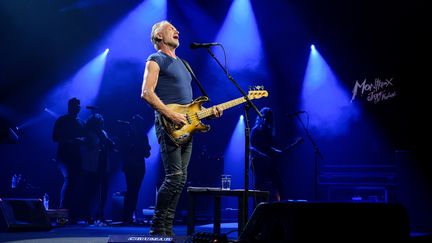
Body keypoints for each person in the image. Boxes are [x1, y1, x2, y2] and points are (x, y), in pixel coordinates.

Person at [141, 20, 222, 236]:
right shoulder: (155, 59)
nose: (177, 30)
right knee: (174, 177)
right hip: (168, 124)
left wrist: (207, 113)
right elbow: (147, 93)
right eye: (170, 28)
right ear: (158, 36)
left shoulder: (186, 65)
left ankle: (166, 229)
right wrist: (170, 114)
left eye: (177, 28)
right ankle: (158, 228)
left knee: (181, 179)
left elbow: (190, 106)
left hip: (187, 127)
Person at [249, 107, 303, 201]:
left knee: (280, 185)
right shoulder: (255, 130)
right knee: (259, 188)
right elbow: (251, 148)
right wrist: (263, 156)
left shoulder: (268, 131)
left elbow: (268, 147)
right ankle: (257, 210)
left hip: (268, 164)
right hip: (257, 163)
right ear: (261, 117)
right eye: (265, 117)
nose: (266, 120)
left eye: (268, 118)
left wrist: (276, 151)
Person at [52, 97, 85, 223]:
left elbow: (87, 139)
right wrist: (71, 141)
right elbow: (54, 137)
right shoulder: (62, 120)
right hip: (64, 157)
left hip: (77, 157)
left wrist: (82, 141)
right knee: (69, 179)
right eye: (75, 105)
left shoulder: (82, 123)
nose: (77, 107)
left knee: (76, 184)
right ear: (69, 107)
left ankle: (72, 214)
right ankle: (62, 214)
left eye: (78, 105)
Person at [81, 112, 115, 226]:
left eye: (101, 122)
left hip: (103, 164)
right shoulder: (89, 133)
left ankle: (100, 214)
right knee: (91, 191)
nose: (101, 123)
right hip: (92, 166)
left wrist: (110, 144)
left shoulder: (104, 133)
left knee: (103, 191)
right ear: (94, 123)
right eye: (99, 122)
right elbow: (90, 146)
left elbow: (108, 146)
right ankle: (87, 214)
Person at [118, 114, 151, 225]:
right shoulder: (131, 135)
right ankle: (127, 216)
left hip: (136, 166)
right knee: (132, 191)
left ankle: (129, 216)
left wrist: (144, 148)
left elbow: (147, 153)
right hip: (133, 166)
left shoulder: (141, 136)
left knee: (133, 191)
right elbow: (124, 150)